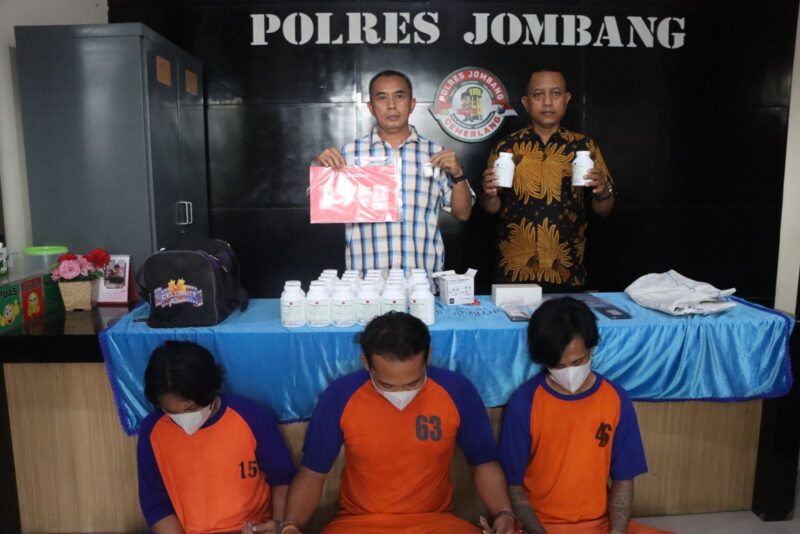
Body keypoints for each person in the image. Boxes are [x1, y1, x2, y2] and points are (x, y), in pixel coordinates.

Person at [279, 312, 518, 534]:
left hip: (436, 523)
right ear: (366, 362)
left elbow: (484, 462)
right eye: (387, 385)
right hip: (358, 524)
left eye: (413, 382)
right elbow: (313, 472)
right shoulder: (341, 395)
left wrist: (504, 513)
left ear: (428, 356)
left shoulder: (456, 390)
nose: (401, 392)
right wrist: (291, 526)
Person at [499, 298, 671, 534]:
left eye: (578, 362)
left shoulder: (615, 399)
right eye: (559, 366)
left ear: (591, 348)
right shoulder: (524, 403)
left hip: (600, 525)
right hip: (539, 526)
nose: (569, 373)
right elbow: (513, 486)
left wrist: (616, 533)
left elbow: (623, 479)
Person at [315, 70, 475, 275]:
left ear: (412, 104)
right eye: (382, 98)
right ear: (371, 107)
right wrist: (322, 169)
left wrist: (458, 173)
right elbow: (322, 205)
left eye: (399, 96)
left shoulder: (437, 154)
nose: (391, 105)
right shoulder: (349, 155)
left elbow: (462, 214)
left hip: (421, 279)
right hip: (366, 281)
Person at [137, 341, 296, 534]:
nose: (184, 418)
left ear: (210, 392)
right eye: (172, 411)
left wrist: (279, 527)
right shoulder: (153, 431)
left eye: (192, 408)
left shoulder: (252, 417)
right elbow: (156, 505)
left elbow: (283, 479)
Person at [479, 67, 615, 291]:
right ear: (526, 102)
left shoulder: (585, 147)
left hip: (566, 269)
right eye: (538, 94)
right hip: (515, 270)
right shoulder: (506, 147)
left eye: (556, 93)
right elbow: (490, 208)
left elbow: (604, 210)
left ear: (567, 99)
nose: (548, 102)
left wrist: (603, 192)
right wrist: (489, 194)